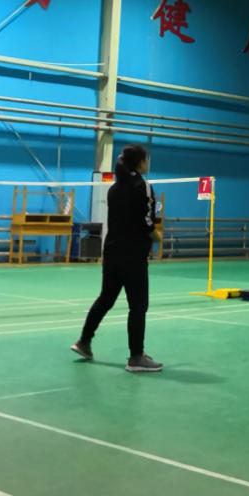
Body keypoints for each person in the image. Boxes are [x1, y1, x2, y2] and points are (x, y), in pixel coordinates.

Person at [71, 144, 164, 372]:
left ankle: (84, 342)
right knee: (138, 306)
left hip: (112, 253)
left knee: (106, 298)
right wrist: (158, 237)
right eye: (146, 159)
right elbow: (147, 222)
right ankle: (136, 357)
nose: (148, 163)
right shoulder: (143, 186)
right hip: (133, 255)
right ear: (140, 162)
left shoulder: (113, 189)